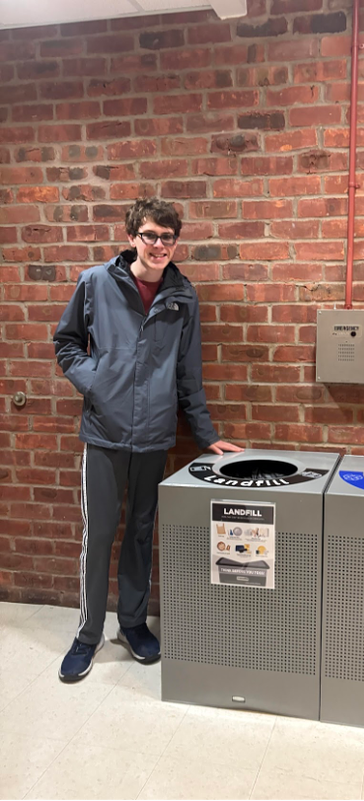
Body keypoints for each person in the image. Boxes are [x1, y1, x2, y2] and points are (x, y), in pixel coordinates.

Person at [54, 197, 243, 682]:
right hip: (105, 433)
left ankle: (133, 624)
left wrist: (206, 434)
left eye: (168, 237)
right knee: (98, 536)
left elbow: (188, 372)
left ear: (176, 242)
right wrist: (97, 382)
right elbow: (68, 344)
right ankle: (87, 634)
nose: (159, 245)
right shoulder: (96, 282)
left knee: (141, 533)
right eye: (151, 235)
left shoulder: (183, 296)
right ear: (133, 236)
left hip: (155, 435)